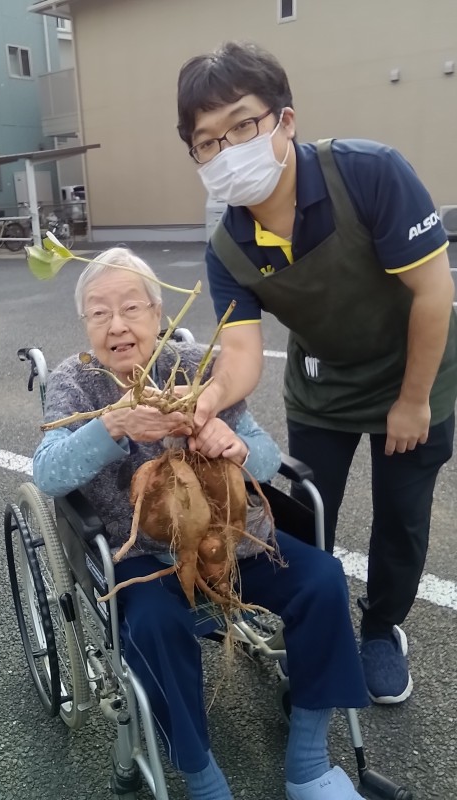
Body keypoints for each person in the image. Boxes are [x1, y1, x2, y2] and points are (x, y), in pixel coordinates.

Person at [176, 41, 457, 706]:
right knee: (306, 515)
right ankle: (316, 631)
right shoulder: (228, 248)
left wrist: (413, 400)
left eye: (242, 125)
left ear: (285, 120)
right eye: (206, 141)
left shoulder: (369, 173)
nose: (226, 150)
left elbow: (433, 292)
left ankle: (381, 629)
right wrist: (209, 398)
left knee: (401, 518)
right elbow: (242, 352)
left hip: (415, 374)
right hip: (322, 385)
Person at [33, 247, 370, 800]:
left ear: (158, 312)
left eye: (132, 308)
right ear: (85, 323)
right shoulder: (77, 382)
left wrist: (235, 446)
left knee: (322, 579)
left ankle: (309, 762)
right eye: (99, 313)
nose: (117, 325)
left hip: (230, 539)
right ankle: (201, 776)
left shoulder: (195, 367)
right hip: (140, 556)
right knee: (156, 626)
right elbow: (48, 472)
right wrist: (111, 427)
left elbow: (266, 456)